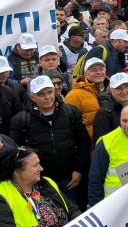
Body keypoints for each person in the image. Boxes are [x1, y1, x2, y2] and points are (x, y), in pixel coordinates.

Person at [9, 76, 90, 205]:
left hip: (69, 180)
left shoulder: (71, 112)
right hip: (38, 183)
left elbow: (83, 141)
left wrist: (79, 170)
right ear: (32, 97)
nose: (47, 97)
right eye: (41, 94)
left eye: (50, 92)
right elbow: (16, 154)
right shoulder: (20, 120)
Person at [0, 145, 80, 227]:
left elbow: (72, 210)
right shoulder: (3, 194)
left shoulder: (47, 182)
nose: (41, 168)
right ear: (17, 172)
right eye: (35, 165)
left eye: (39, 163)